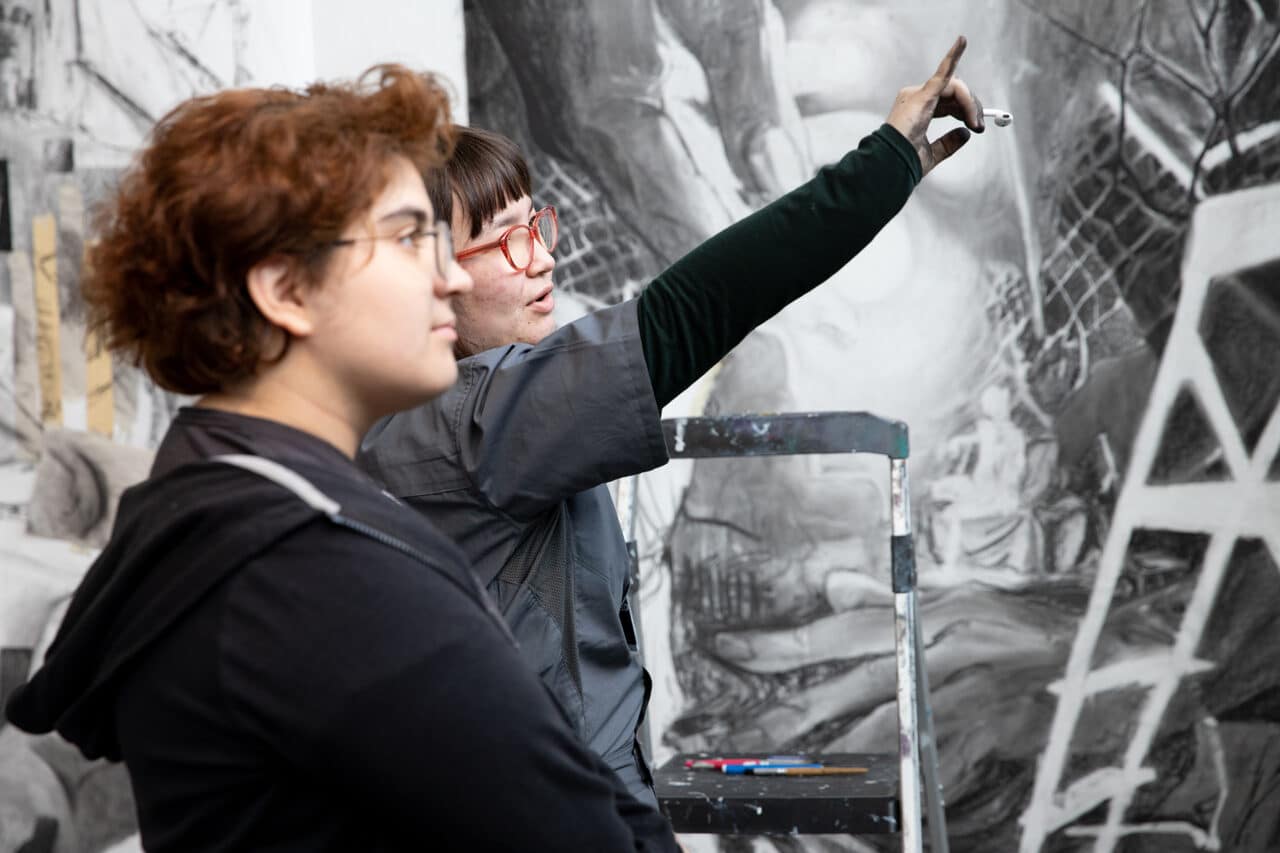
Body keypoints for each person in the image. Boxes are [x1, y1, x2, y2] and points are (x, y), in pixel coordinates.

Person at [4, 65, 678, 852]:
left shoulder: (219, 510)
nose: (450, 274)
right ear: (286, 289)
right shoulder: (316, 573)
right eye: (405, 238)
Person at [357, 36, 986, 804]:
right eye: (506, 241)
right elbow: (700, 303)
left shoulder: (418, 418)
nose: (544, 257)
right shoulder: (478, 420)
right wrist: (886, 161)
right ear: (427, 281)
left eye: (539, 226)